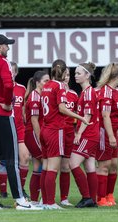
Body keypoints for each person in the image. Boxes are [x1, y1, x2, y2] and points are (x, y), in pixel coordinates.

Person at [0, 34, 40, 210]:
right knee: (12, 160)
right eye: (7, 45)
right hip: (1, 115)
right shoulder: (2, 62)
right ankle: (20, 201)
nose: (8, 48)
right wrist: (5, 102)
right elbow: (9, 85)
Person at [40, 59, 90, 209]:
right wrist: (80, 117)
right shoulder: (60, 86)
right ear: (63, 73)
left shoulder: (46, 85)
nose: (69, 76)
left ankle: (45, 201)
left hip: (45, 129)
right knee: (53, 168)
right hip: (56, 129)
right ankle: (50, 203)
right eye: (68, 73)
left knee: (47, 166)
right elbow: (62, 108)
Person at [0, 62, 30, 199]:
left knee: (25, 158)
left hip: (19, 128)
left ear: (16, 73)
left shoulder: (22, 89)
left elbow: (22, 107)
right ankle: (3, 191)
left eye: (13, 71)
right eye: (8, 71)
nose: (10, 73)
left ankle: (20, 189)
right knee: (1, 161)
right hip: (3, 127)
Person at [95, 62, 118, 207]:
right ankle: (100, 198)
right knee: (104, 165)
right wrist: (111, 135)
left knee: (114, 165)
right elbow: (105, 116)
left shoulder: (117, 93)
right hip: (104, 132)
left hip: (114, 131)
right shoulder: (106, 92)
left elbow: (116, 115)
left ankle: (109, 195)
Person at [70, 62, 99, 208]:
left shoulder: (88, 93)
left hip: (88, 134)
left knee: (73, 163)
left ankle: (86, 197)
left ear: (87, 75)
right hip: (92, 133)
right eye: (75, 73)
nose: (75, 76)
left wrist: (79, 133)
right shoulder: (86, 92)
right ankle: (92, 200)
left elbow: (87, 116)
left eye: (78, 73)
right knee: (89, 166)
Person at [24, 71, 49, 204]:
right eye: (45, 81)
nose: (48, 83)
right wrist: (40, 138)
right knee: (48, 164)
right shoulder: (34, 96)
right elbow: (34, 120)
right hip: (33, 133)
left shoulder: (42, 95)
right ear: (38, 82)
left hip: (36, 132)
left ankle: (35, 200)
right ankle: (45, 198)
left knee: (38, 166)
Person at [60, 68, 78, 206]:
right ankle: (44, 197)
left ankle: (64, 198)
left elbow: (77, 115)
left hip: (69, 133)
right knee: (50, 166)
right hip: (55, 132)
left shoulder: (73, 95)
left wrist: (77, 132)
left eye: (68, 75)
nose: (66, 78)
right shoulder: (54, 91)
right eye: (64, 75)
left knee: (66, 167)